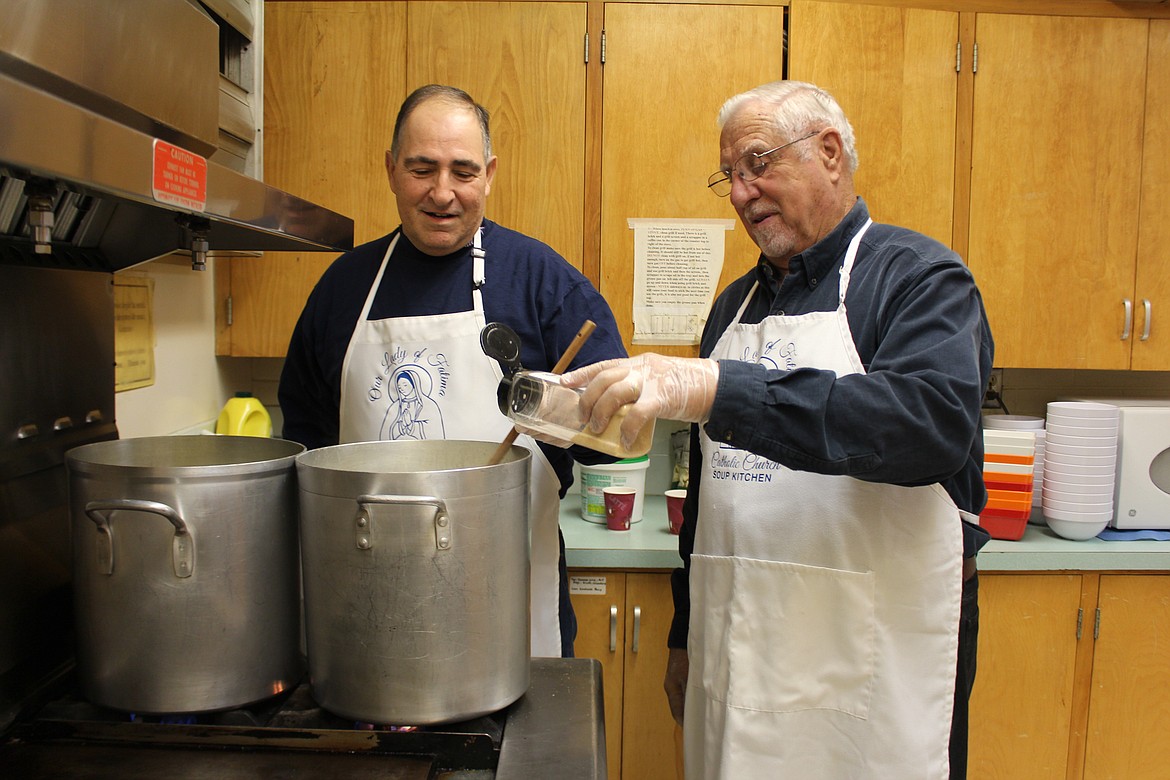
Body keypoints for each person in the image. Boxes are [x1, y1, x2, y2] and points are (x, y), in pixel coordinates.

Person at [560, 81, 993, 778]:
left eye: (758, 164)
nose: (740, 192)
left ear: (829, 153)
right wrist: (683, 636)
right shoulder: (734, 306)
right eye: (729, 175)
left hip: (867, 666)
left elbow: (926, 425)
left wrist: (716, 386)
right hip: (736, 652)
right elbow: (705, 497)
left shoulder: (918, 280)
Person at [278, 84, 627, 659]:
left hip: (510, 607)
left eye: (463, 171)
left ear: (489, 174)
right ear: (391, 170)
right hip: (371, 606)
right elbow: (307, 455)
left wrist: (551, 408)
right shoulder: (342, 290)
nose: (443, 193)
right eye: (422, 169)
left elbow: (614, 443)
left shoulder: (544, 283)